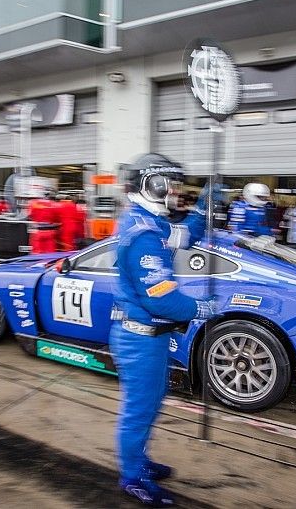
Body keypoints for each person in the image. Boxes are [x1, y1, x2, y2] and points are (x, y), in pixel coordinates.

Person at [111, 153, 214, 506]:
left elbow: (186, 236)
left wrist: (204, 207)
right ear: (151, 184)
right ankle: (131, 476)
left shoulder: (149, 222)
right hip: (140, 339)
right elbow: (161, 301)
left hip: (150, 338)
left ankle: (139, 461)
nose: (175, 191)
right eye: (170, 184)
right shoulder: (143, 234)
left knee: (151, 405)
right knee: (139, 410)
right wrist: (201, 308)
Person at [27, 188, 60, 253]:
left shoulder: (34, 203)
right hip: (50, 232)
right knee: (50, 253)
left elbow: (30, 215)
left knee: (37, 253)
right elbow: (57, 218)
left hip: (38, 231)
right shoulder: (54, 204)